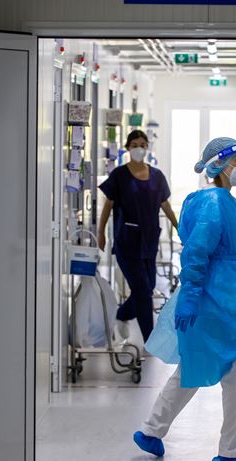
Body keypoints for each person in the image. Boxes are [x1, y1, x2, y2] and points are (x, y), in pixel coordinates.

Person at [132, 137, 236, 461]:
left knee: (194, 366)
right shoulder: (215, 202)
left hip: (217, 295)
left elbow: (219, 243)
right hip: (218, 300)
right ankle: (233, 451)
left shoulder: (218, 199)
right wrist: (192, 295)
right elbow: (196, 253)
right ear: (220, 166)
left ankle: (151, 431)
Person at [98, 130, 177, 343]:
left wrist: (179, 226)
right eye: (135, 144)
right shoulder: (119, 175)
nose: (139, 148)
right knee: (142, 290)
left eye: (143, 144)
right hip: (126, 242)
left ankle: (122, 315)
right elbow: (108, 205)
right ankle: (150, 341)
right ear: (127, 147)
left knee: (148, 287)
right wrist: (101, 233)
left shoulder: (157, 176)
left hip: (149, 241)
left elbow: (165, 205)